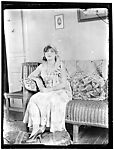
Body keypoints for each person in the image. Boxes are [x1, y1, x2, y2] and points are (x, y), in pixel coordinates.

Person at [23, 45, 72, 142]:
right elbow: (31, 76)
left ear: (55, 54)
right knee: (33, 99)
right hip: (47, 91)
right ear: (44, 54)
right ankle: (36, 129)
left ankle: (55, 131)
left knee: (53, 99)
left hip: (61, 91)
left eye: (52, 52)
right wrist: (39, 83)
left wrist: (48, 90)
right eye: (46, 52)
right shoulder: (42, 66)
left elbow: (63, 84)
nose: (49, 54)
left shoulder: (60, 65)